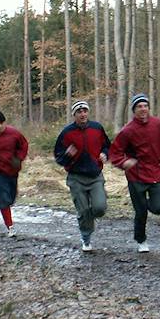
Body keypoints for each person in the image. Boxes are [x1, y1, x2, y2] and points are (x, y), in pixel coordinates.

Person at [109, 93, 160, 253]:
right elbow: (115, 152)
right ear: (134, 110)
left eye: (145, 106)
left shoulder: (158, 124)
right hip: (136, 176)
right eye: (139, 106)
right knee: (140, 212)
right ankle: (141, 240)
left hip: (157, 172)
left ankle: (143, 205)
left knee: (158, 208)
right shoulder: (127, 130)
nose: (143, 109)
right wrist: (123, 163)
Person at [54, 100, 111, 253]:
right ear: (74, 115)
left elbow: (107, 145)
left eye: (85, 111)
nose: (83, 114)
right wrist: (67, 155)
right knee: (83, 211)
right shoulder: (67, 133)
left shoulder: (97, 128)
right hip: (76, 178)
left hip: (95, 175)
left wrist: (105, 154)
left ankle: (89, 217)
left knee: (100, 208)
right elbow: (58, 157)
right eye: (79, 112)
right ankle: (86, 237)